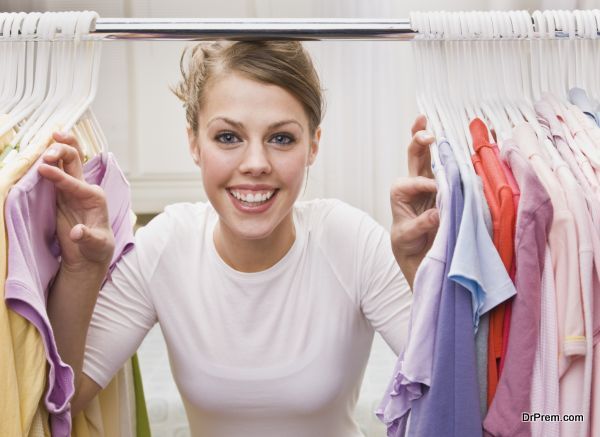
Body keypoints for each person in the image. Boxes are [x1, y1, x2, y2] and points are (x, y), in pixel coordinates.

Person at [41, 41, 439, 437]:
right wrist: (81, 269)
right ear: (194, 143)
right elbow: (65, 400)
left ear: (313, 146)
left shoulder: (350, 241)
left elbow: (447, 388)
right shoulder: (166, 244)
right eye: (228, 137)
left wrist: (421, 270)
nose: (255, 164)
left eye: (281, 138)